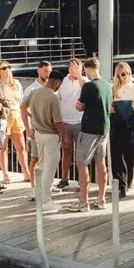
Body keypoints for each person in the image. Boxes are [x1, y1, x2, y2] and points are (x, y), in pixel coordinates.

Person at [69, 57, 111, 212]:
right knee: (101, 163)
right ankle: (101, 198)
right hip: (104, 128)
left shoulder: (88, 86)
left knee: (82, 164)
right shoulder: (107, 85)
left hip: (89, 130)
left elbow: (79, 106)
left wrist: (79, 104)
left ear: (87, 69)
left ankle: (83, 201)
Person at [25, 66, 66, 213]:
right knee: (50, 168)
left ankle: (39, 193)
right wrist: (65, 137)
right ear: (57, 83)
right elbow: (58, 122)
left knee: (41, 165)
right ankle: (46, 200)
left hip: (38, 134)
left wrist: (32, 120)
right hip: (51, 136)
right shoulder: (53, 98)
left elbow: (22, 107)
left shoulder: (34, 92)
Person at [108, 61, 134, 196]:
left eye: (128, 73)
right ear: (118, 74)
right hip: (117, 125)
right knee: (117, 155)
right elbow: (109, 108)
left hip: (130, 124)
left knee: (130, 155)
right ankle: (120, 185)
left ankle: (127, 183)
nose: (126, 76)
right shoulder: (112, 88)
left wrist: (122, 109)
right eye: (123, 74)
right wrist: (120, 109)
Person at [0, 62, 28, 188]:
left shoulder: (17, 84)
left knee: (21, 147)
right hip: (4, 117)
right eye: (4, 68)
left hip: (16, 115)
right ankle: (5, 174)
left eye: (9, 67)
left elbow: (21, 100)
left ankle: (26, 172)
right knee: (3, 148)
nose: (8, 69)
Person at [55, 58, 84, 192]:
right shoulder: (63, 82)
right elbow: (57, 98)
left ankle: (81, 180)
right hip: (65, 122)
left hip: (79, 122)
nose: (74, 70)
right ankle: (64, 178)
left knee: (80, 153)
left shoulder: (84, 81)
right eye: (72, 68)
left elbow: (87, 90)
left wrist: (79, 77)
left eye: (77, 68)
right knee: (65, 151)